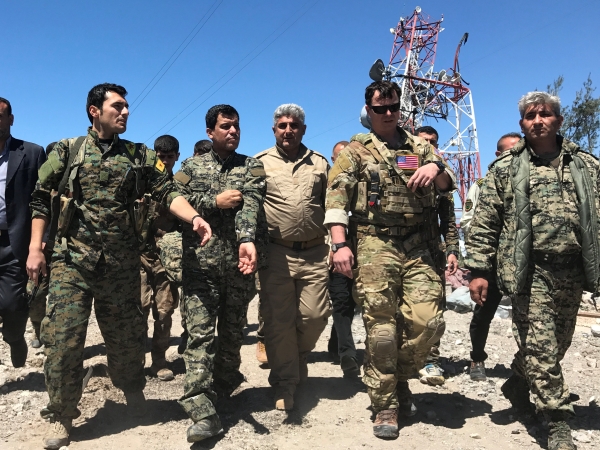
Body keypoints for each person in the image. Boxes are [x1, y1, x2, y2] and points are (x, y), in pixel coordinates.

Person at [26, 83, 211, 450]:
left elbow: (167, 191)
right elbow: (40, 200)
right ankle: (62, 415)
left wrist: (194, 218)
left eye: (127, 107)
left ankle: (131, 391)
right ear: (94, 110)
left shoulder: (139, 154)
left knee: (127, 341)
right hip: (72, 262)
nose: (125, 112)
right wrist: (36, 249)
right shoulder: (67, 150)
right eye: (118, 106)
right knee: (63, 342)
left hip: (121, 265)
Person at [465, 91, 598, 450]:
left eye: (545, 114)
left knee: (558, 345)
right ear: (522, 123)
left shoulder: (587, 166)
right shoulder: (506, 168)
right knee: (541, 348)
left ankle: (517, 384)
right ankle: (557, 419)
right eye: (529, 116)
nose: (537, 120)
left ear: (558, 119)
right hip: (529, 271)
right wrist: (478, 269)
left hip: (572, 270)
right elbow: (484, 224)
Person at [325, 80, 456, 439]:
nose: (387, 114)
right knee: (382, 330)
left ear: (401, 109)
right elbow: (336, 198)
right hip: (374, 241)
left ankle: (399, 378)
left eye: (393, 108)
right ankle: (386, 403)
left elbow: (447, 186)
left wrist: (437, 170)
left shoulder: (419, 147)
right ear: (368, 111)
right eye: (380, 109)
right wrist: (340, 245)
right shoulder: (355, 151)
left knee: (427, 322)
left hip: (418, 245)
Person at [174, 104, 266, 443]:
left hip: (238, 268)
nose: (233, 132)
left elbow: (252, 204)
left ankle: (224, 387)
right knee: (199, 336)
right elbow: (174, 199)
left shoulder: (252, 167)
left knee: (230, 338)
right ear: (210, 131)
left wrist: (246, 239)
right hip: (200, 267)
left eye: (236, 126)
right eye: (225, 126)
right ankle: (200, 408)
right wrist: (214, 201)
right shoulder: (190, 166)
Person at [256, 104, 331, 411]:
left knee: (314, 317)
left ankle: (296, 356)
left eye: (294, 125)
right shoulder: (259, 164)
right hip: (276, 253)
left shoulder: (320, 163)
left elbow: (333, 204)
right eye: (282, 125)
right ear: (274, 130)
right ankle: (285, 382)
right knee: (279, 321)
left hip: (315, 252)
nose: (288, 130)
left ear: (303, 129)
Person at [461, 132, 521, 381]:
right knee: (483, 313)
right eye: (509, 151)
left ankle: (526, 368)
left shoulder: (533, 183)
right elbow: (467, 221)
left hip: (523, 263)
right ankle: (477, 358)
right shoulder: (483, 185)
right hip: (492, 262)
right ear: (498, 155)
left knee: (529, 318)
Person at [0, 97, 46, 367]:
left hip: (14, 241)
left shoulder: (31, 152)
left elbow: (43, 200)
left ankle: (15, 338)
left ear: (10, 119)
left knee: (13, 305)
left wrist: (39, 245)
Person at [415, 125, 460, 386]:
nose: (428, 145)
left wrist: (452, 249)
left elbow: (449, 218)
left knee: (434, 308)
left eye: (433, 141)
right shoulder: (401, 164)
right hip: (398, 249)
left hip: (432, 250)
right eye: (424, 140)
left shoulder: (442, 174)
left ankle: (430, 359)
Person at [139, 134, 182, 382]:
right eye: (161, 157)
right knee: (140, 309)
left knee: (164, 311)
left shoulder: (180, 185)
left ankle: (159, 360)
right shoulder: (141, 182)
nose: (165, 161)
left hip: (167, 257)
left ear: (177, 156)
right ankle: (136, 362)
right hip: (140, 254)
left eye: (169, 157)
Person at [326, 140, 360, 377]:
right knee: (341, 301)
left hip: (364, 253)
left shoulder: (364, 183)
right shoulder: (327, 183)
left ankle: (335, 343)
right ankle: (347, 353)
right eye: (338, 156)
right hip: (335, 251)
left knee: (355, 303)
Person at [27, 141, 57, 349]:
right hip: (42, 250)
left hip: (65, 251)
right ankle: (37, 329)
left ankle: (57, 341)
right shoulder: (41, 187)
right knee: (35, 295)